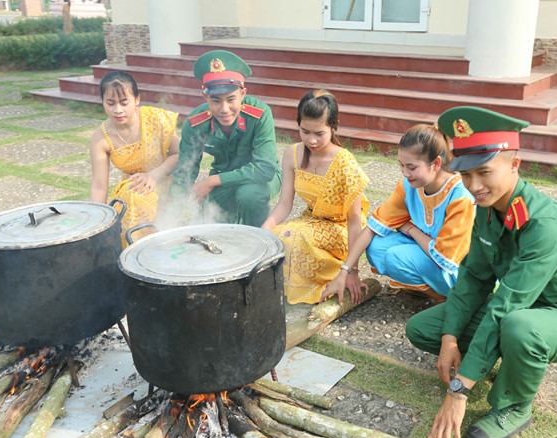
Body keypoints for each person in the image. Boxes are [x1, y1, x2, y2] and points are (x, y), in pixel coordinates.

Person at [406, 106, 557, 438]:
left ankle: (515, 405)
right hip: (517, 311)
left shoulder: (545, 226)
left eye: (484, 172)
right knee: (424, 329)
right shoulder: (488, 209)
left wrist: (459, 390)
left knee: (518, 326)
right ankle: (504, 360)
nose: (474, 186)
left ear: (514, 165)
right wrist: (451, 338)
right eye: (466, 175)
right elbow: (472, 280)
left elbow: (507, 303)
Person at [320, 124, 476, 305]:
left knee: (396, 258)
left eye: (411, 167)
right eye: (401, 165)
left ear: (436, 164)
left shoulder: (461, 196)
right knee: (376, 247)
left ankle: (446, 297)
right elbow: (371, 228)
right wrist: (345, 272)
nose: (405, 173)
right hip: (430, 253)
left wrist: (411, 229)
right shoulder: (408, 185)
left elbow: (446, 257)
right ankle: (431, 290)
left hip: (460, 271)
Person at [261, 89, 370, 304]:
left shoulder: (345, 162)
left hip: (341, 229)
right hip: (311, 221)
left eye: (319, 133)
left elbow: (354, 220)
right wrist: (264, 230)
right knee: (278, 236)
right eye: (305, 131)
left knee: (294, 237)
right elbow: (284, 204)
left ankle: (334, 275)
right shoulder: (292, 154)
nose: (311, 140)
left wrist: (353, 272)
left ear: (333, 126)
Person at [168, 50, 281, 227]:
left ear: (243, 93)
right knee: (210, 216)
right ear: (205, 96)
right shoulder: (196, 123)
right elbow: (184, 174)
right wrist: (168, 217)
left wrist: (212, 180)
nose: (224, 109)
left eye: (231, 99)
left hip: (261, 178)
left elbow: (265, 169)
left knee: (250, 195)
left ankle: (259, 241)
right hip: (225, 176)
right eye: (216, 100)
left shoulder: (260, 114)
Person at [89, 70, 180, 247]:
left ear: (137, 99)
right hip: (133, 187)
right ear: (103, 103)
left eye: (124, 102)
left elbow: (178, 154)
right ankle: (133, 255)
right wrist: (95, 223)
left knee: (136, 203)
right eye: (110, 103)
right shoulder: (101, 137)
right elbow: (99, 186)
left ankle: (149, 252)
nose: (117, 110)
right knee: (127, 203)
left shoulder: (155, 119)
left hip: (164, 180)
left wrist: (153, 175)